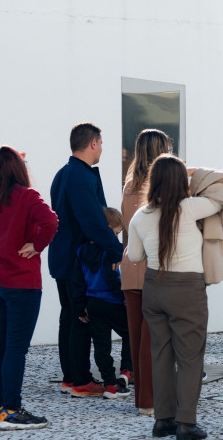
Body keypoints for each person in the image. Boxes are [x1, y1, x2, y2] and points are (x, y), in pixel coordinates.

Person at [127, 154, 223, 440]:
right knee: (190, 358)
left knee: (161, 355)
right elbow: (222, 197)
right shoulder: (191, 208)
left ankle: (163, 420)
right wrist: (198, 175)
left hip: (154, 288)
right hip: (187, 290)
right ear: (181, 181)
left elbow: (134, 256)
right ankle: (186, 424)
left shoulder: (140, 215)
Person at [0, 146, 58, 430]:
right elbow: (51, 220)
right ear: (18, 169)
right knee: (15, 348)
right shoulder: (26, 196)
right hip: (21, 282)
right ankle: (12, 411)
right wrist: (36, 246)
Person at [48, 123, 124, 397]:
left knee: (68, 316)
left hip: (62, 257)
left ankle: (70, 378)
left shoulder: (63, 174)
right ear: (93, 143)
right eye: (101, 143)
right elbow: (93, 222)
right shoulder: (81, 177)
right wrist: (117, 251)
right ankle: (80, 380)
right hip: (77, 261)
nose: (102, 148)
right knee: (80, 318)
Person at [121, 129, 172, 415]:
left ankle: (143, 398)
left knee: (137, 335)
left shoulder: (129, 185)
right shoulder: (158, 188)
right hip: (152, 266)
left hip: (129, 266)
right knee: (152, 337)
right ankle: (150, 401)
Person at [71, 207, 133, 399]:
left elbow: (78, 282)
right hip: (113, 302)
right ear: (107, 228)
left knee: (101, 345)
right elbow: (111, 279)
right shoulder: (109, 251)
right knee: (132, 333)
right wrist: (124, 298)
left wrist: (80, 307)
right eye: (116, 232)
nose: (116, 237)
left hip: (93, 304)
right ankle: (126, 371)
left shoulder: (80, 251)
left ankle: (110, 384)